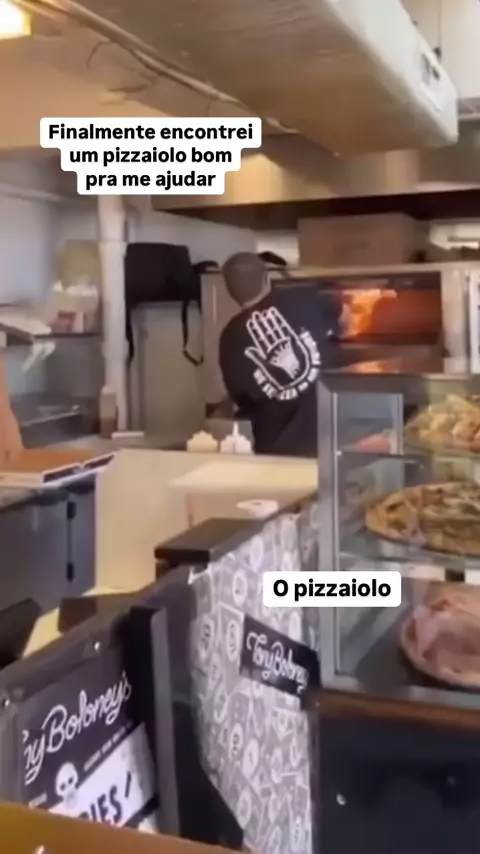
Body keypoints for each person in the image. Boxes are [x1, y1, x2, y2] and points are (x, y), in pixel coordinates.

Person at [219, 252, 344, 457]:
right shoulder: (305, 297)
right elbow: (340, 310)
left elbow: (243, 399)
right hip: (334, 437)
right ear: (266, 277)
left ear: (228, 290)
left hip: (277, 451)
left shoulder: (229, 338)